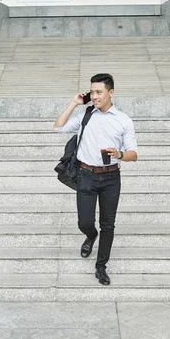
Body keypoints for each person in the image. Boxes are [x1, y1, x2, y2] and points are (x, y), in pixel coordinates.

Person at [53, 73, 138, 286]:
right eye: (92, 92)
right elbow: (58, 127)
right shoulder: (86, 115)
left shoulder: (123, 120)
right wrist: (74, 103)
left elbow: (133, 154)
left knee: (108, 225)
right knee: (85, 222)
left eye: (99, 92)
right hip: (86, 176)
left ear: (111, 93)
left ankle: (101, 267)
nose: (95, 96)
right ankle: (91, 236)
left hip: (111, 177)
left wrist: (118, 154)